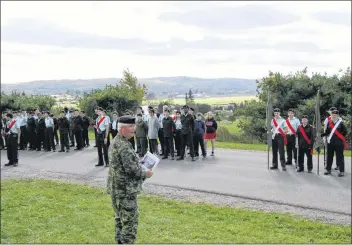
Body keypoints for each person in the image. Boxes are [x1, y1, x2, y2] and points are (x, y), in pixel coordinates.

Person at [107, 115, 153, 244]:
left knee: (120, 219)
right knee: (130, 223)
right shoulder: (124, 146)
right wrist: (146, 173)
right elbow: (132, 171)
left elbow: (124, 165)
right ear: (122, 129)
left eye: (134, 126)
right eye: (131, 127)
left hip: (117, 189)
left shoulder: (117, 141)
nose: (134, 129)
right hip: (125, 191)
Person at [322, 109, 348, 177]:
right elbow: (327, 132)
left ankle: (341, 171)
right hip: (330, 143)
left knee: (340, 157)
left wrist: (339, 137)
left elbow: (345, 132)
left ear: (337, 116)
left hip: (339, 143)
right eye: (332, 115)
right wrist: (322, 134)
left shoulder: (341, 123)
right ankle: (328, 169)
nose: (333, 116)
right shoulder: (329, 122)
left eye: (335, 115)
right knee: (329, 156)